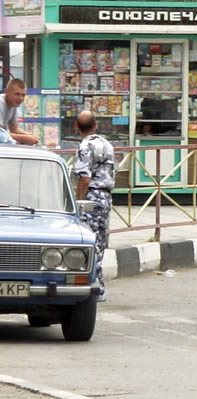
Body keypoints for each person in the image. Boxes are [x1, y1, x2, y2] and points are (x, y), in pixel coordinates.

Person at [73, 110, 115, 301]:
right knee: (99, 242)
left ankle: (93, 289)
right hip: (106, 196)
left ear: (76, 126)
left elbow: (84, 179)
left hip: (91, 198)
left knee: (88, 242)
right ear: (95, 125)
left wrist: (78, 202)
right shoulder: (107, 144)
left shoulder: (84, 147)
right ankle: (99, 288)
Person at [1, 78, 39, 145]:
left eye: (23, 95)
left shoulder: (13, 104)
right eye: (17, 94)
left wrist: (30, 136)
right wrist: (24, 138)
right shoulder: (1, 103)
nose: (20, 98)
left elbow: (14, 129)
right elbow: (1, 135)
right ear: (7, 92)